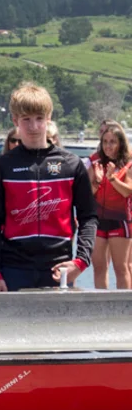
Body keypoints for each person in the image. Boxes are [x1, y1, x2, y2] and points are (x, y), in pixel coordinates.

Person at [0, 83, 96, 292]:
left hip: (59, 266)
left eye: (39, 118)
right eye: (26, 119)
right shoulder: (2, 166)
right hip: (13, 268)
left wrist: (81, 261)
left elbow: (88, 217)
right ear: (15, 120)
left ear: (49, 118)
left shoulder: (71, 164)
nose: (33, 126)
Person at [88, 122, 132, 289]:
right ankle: (101, 303)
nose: (108, 146)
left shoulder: (128, 163)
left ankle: (125, 304)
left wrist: (112, 178)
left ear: (120, 143)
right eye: (105, 141)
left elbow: (127, 191)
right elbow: (88, 194)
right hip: (98, 220)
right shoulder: (95, 162)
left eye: (113, 141)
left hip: (120, 221)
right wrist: (98, 181)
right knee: (99, 267)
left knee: (121, 268)